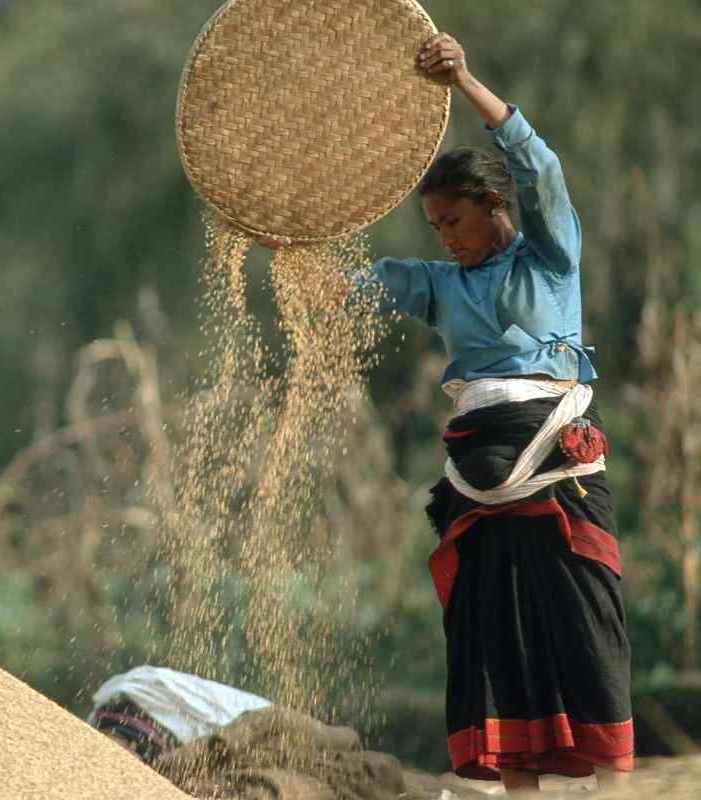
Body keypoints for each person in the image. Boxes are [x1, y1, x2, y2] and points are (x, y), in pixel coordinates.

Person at [264, 33, 634, 794]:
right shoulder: (437, 284)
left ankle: (612, 789)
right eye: (434, 228)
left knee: (583, 622)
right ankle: (516, 791)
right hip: (479, 478)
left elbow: (543, 166)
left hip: (556, 465)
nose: (445, 239)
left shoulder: (548, 259)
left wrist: (462, 77)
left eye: (454, 222)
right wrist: (292, 249)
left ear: (493, 205)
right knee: (491, 634)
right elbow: (353, 286)